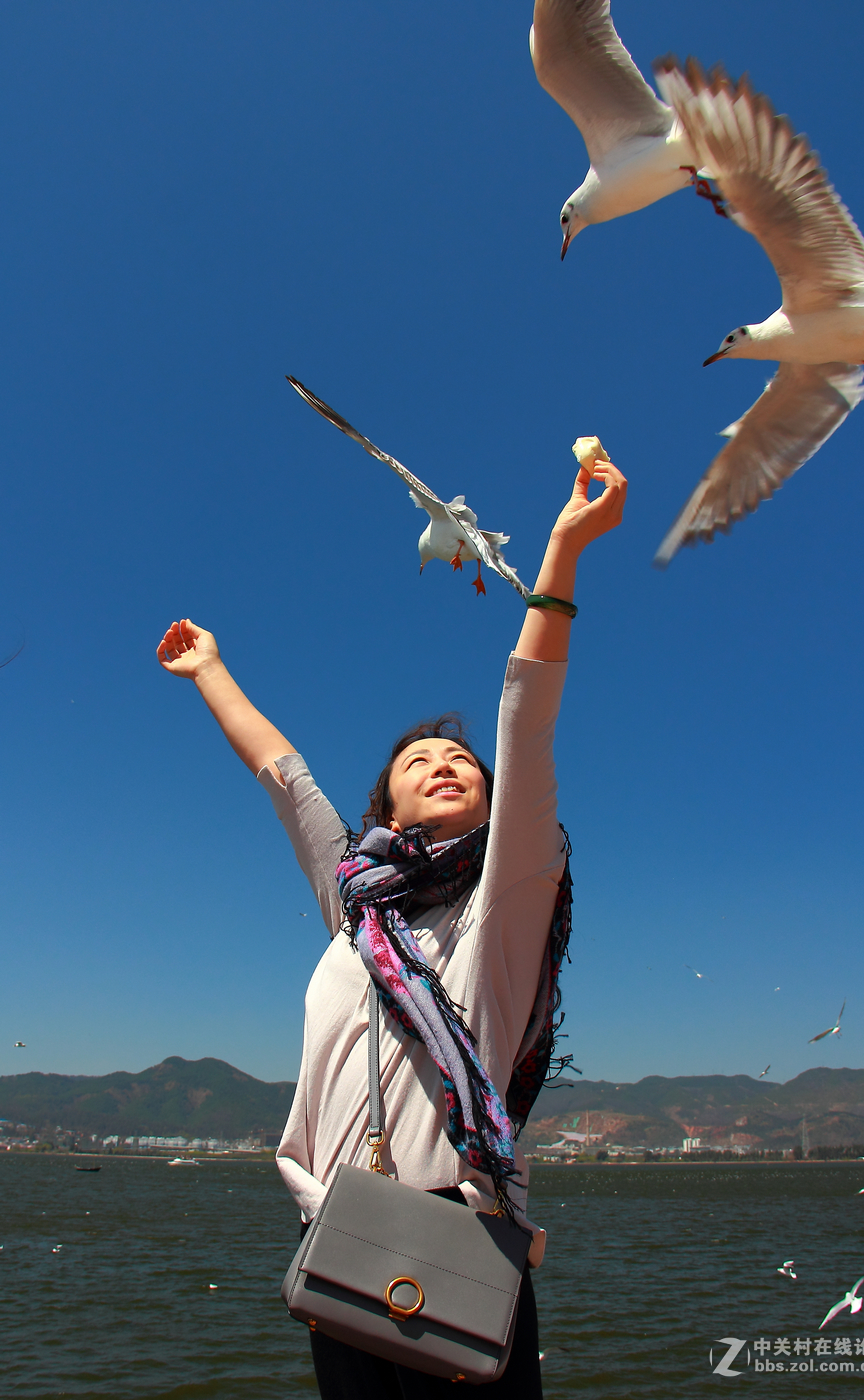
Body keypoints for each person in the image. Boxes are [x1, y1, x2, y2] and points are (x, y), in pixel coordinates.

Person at [156, 456, 627, 1398]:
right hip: (341, 1246)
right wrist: (209, 668)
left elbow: (526, 718)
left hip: (462, 1246)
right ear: (388, 805)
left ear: (497, 803)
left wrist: (563, 552)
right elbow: (285, 777)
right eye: (421, 760)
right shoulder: (357, 904)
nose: (448, 764)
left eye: (463, 760)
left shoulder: (507, 899)